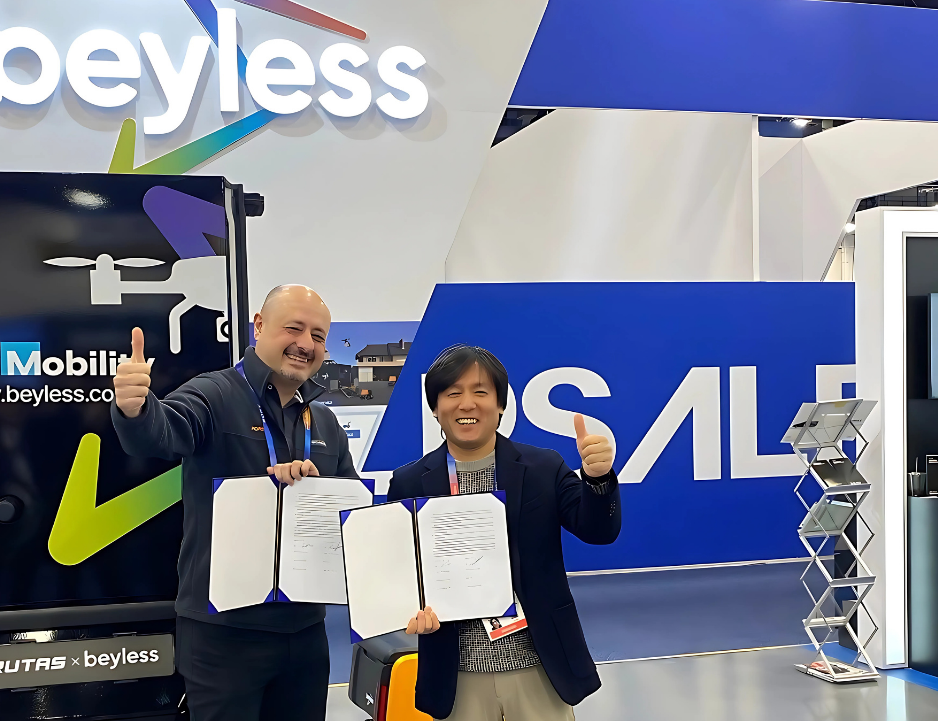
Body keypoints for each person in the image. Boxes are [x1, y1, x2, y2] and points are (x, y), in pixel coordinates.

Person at [110, 285, 358, 721]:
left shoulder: (324, 422)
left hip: (305, 633)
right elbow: (162, 431)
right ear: (259, 326)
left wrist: (323, 498)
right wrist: (136, 409)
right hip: (223, 635)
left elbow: (351, 517)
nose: (306, 344)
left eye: (318, 336)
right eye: (294, 328)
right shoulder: (214, 394)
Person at [388, 345, 620, 721]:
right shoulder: (409, 482)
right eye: (453, 392)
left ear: (500, 404)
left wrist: (598, 479)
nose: (467, 403)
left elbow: (598, 531)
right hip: (456, 676)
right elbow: (400, 571)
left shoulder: (543, 467)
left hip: (539, 668)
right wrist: (406, 609)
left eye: (481, 391)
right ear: (435, 407)